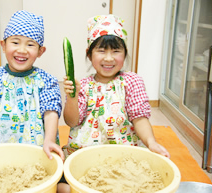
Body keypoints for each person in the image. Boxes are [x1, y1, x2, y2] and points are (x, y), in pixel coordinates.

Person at [58, 14, 170, 192]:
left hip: (123, 155)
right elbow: (72, 122)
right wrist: (72, 96)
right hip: (84, 155)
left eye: (116, 51)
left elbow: (139, 118)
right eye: (101, 51)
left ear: (125, 54)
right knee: (62, 187)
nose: (109, 58)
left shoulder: (132, 81)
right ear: (89, 54)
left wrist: (151, 142)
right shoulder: (84, 85)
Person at [0, 10, 65, 161]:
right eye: (15, 42)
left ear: (40, 51)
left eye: (30, 44)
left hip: (38, 155)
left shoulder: (47, 81)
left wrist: (49, 140)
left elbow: (51, 113)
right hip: (0, 156)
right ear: (3, 46)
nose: (22, 50)